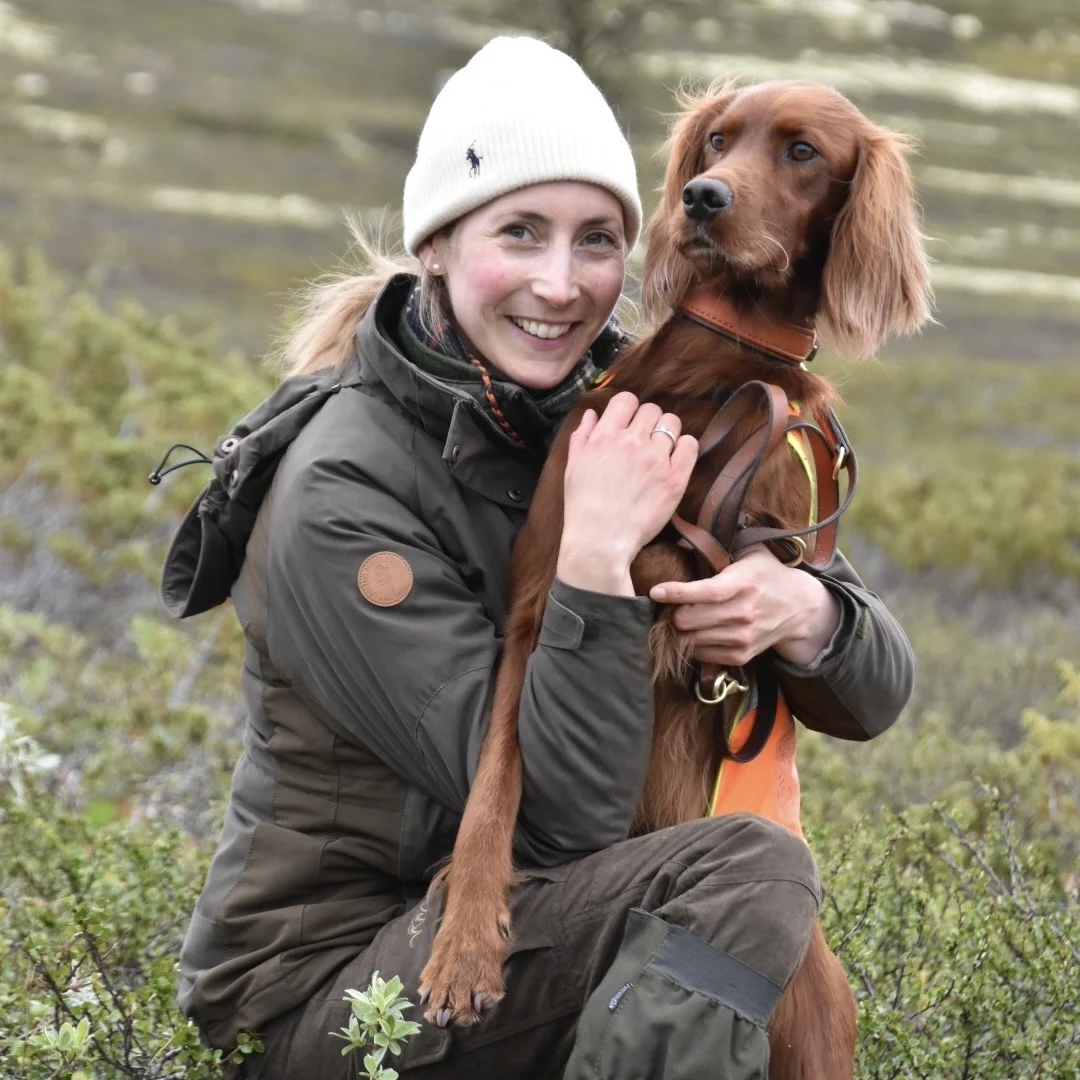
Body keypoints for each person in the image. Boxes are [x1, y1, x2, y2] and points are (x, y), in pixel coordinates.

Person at [167, 36, 915, 1080]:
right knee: (747, 877)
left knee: (798, 967)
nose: (560, 286)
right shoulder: (337, 491)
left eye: (596, 240)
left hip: (527, 920)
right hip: (327, 993)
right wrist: (598, 561)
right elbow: (564, 817)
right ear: (436, 243)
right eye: (520, 233)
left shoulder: (615, 406)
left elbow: (877, 694)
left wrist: (808, 616)